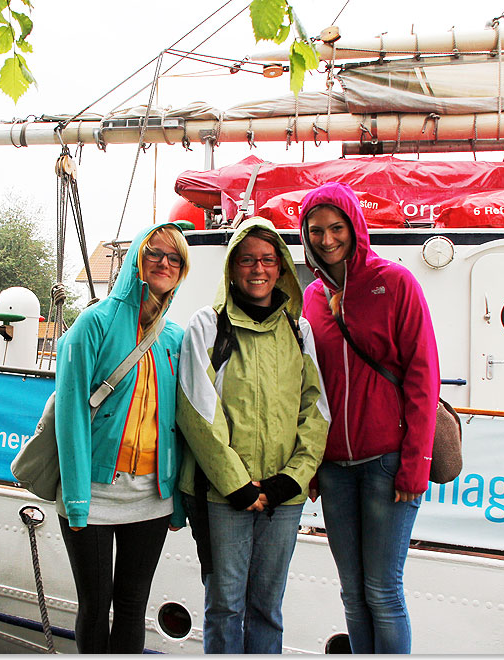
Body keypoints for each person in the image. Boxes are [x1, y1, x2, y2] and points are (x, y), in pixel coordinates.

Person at [176, 217, 330, 654]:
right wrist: (237, 485)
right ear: (232, 267)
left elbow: (315, 410)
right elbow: (196, 411)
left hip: (283, 498)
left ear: (281, 267)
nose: (258, 269)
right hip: (225, 496)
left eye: (267, 260)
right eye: (247, 260)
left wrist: (292, 479)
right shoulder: (208, 326)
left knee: (267, 607)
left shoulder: (299, 332)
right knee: (225, 606)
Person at [298, 182, 440, 654]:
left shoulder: (395, 283)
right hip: (335, 469)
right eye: (315, 230)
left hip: (387, 463)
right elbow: (310, 385)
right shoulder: (313, 298)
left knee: (382, 591)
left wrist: (415, 463)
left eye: (336, 227)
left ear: (355, 228)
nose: (326, 238)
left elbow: (423, 376)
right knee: (353, 595)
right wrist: (312, 462)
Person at [54, 222, 190, 653]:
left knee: (133, 607)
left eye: (175, 258)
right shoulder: (93, 324)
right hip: (93, 493)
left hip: (150, 496)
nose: (164, 264)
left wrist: (177, 498)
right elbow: (70, 412)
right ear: (137, 259)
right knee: (95, 606)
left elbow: (180, 424)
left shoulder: (175, 337)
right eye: (155, 254)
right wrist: (76, 496)